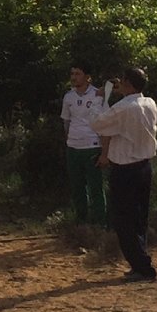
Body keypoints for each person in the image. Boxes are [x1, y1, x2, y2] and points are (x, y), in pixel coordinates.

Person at [88, 66, 157, 282]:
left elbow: (97, 123)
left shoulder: (123, 108)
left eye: (122, 80)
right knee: (139, 218)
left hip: (126, 170)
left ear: (128, 83)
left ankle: (143, 267)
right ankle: (139, 261)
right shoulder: (149, 103)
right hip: (144, 167)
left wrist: (100, 98)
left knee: (123, 220)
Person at [59, 64, 109, 227]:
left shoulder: (97, 94)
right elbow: (66, 122)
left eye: (78, 74)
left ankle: (100, 222)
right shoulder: (68, 97)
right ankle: (81, 221)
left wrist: (104, 151)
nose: (74, 77)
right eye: (72, 74)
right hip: (73, 146)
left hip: (92, 145)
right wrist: (69, 140)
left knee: (95, 187)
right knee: (77, 186)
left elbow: (104, 123)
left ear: (87, 77)